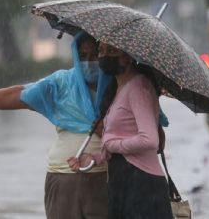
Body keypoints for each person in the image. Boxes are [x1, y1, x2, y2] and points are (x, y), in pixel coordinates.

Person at [0, 32, 111, 219]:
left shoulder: (118, 85)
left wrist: (106, 130)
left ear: (104, 54)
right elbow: (22, 94)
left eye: (95, 55)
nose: (89, 62)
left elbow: (140, 136)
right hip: (63, 179)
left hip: (104, 179)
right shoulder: (61, 83)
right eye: (82, 56)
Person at [68, 42, 173, 219]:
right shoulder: (118, 90)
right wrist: (93, 158)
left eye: (112, 51)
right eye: (101, 50)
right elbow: (118, 141)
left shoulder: (138, 86)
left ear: (129, 57)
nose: (103, 56)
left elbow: (150, 140)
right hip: (123, 182)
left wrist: (113, 145)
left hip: (142, 184)